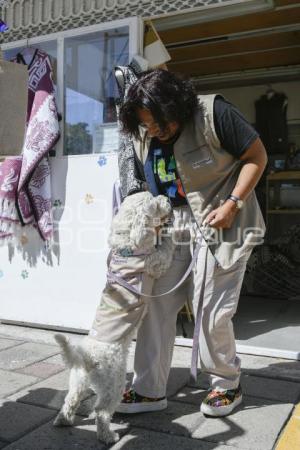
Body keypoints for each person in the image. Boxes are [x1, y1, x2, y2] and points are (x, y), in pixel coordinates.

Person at [115, 69, 267, 417]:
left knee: (211, 310)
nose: (152, 130)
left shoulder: (214, 113)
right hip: (172, 224)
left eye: (158, 122)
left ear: (176, 106)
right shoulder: (142, 130)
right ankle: (149, 390)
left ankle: (226, 383)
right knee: (156, 305)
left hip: (223, 219)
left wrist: (233, 204)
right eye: (146, 124)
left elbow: (257, 158)